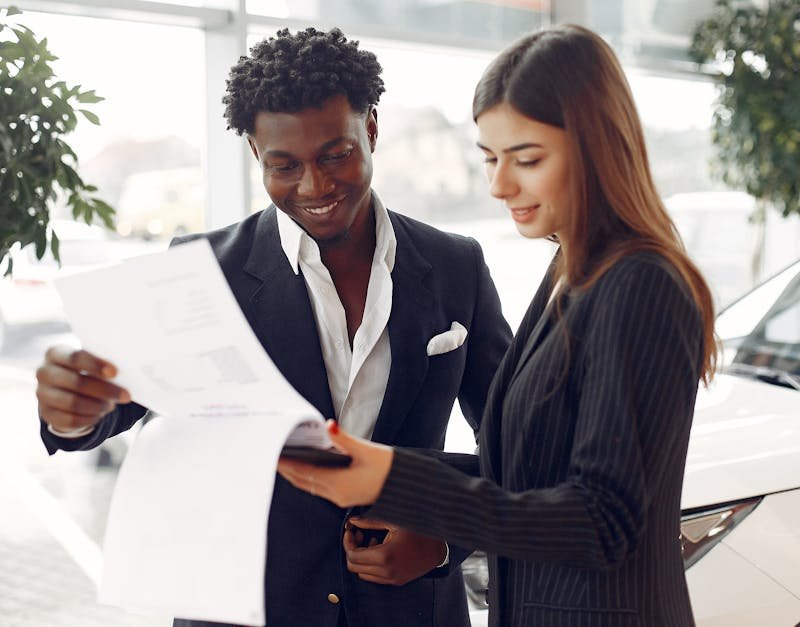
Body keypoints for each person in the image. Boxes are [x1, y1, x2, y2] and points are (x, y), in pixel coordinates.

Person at [34, 27, 512, 627]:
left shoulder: (454, 264)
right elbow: (111, 406)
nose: (316, 187)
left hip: (409, 609)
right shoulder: (202, 270)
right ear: (257, 155)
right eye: (285, 165)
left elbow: (517, 440)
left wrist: (445, 536)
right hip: (247, 611)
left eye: (335, 154)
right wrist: (70, 411)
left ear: (370, 129)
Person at [278, 24, 718, 627]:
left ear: (598, 147)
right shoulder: (570, 268)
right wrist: (376, 472)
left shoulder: (639, 283)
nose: (498, 185)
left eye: (527, 159)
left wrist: (395, 477)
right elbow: (525, 473)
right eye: (489, 158)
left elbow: (602, 522)